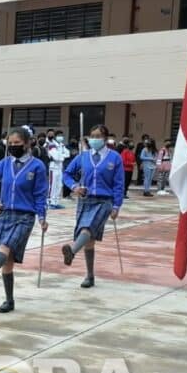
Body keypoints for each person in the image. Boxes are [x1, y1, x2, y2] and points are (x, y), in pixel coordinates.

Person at [0, 127, 49, 313]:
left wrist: (42, 216)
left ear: (27, 143)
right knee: (7, 260)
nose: (13, 146)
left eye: (17, 143)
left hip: (25, 216)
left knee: (5, 247)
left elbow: (40, 194)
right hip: (5, 214)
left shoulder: (37, 166)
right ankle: (9, 300)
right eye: (11, 143)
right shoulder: (4, 164)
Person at [62, 124, 125, 289]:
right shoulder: (82, 157)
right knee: (89, 240)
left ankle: (72, 250)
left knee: (87, 228)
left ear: (105, 138)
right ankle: (89, 275)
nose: (94, 139)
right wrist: (75, 187)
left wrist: (117, 205)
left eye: (98, 136)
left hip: (104, 200)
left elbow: (119, 183)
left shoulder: (114, 158)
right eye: (92, 136)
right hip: (85, 199)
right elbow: (66, 174)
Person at [46, 130, 70, 209]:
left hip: (60, 167)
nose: (60, 137)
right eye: (59, 135)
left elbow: (68, 154)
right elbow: (55, 157)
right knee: (52, 185)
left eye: (61, 135)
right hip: (53, 167)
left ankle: (56, 202)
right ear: (55, 137)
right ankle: (49, 202)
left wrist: (61, 156)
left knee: (59, 185)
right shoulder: (52, 145)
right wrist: (62, 156)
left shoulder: (62, 145)